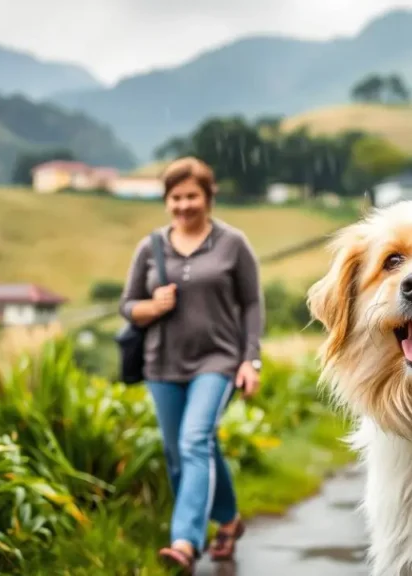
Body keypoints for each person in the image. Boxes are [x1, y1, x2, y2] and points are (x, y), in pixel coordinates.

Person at [118, 156, 265, 572]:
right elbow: (127, 306)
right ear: (166, 201)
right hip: (161, 365)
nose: (184, 205)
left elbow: (252, 303)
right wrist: (151, 306)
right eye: (176, 197)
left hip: (217, 360)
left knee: (194, 440)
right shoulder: (150, 248)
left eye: (192, 196)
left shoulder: (233, 244)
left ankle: (184, 540)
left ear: (208, 197)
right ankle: (230, 521)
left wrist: (250, 359)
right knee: (182, 452)